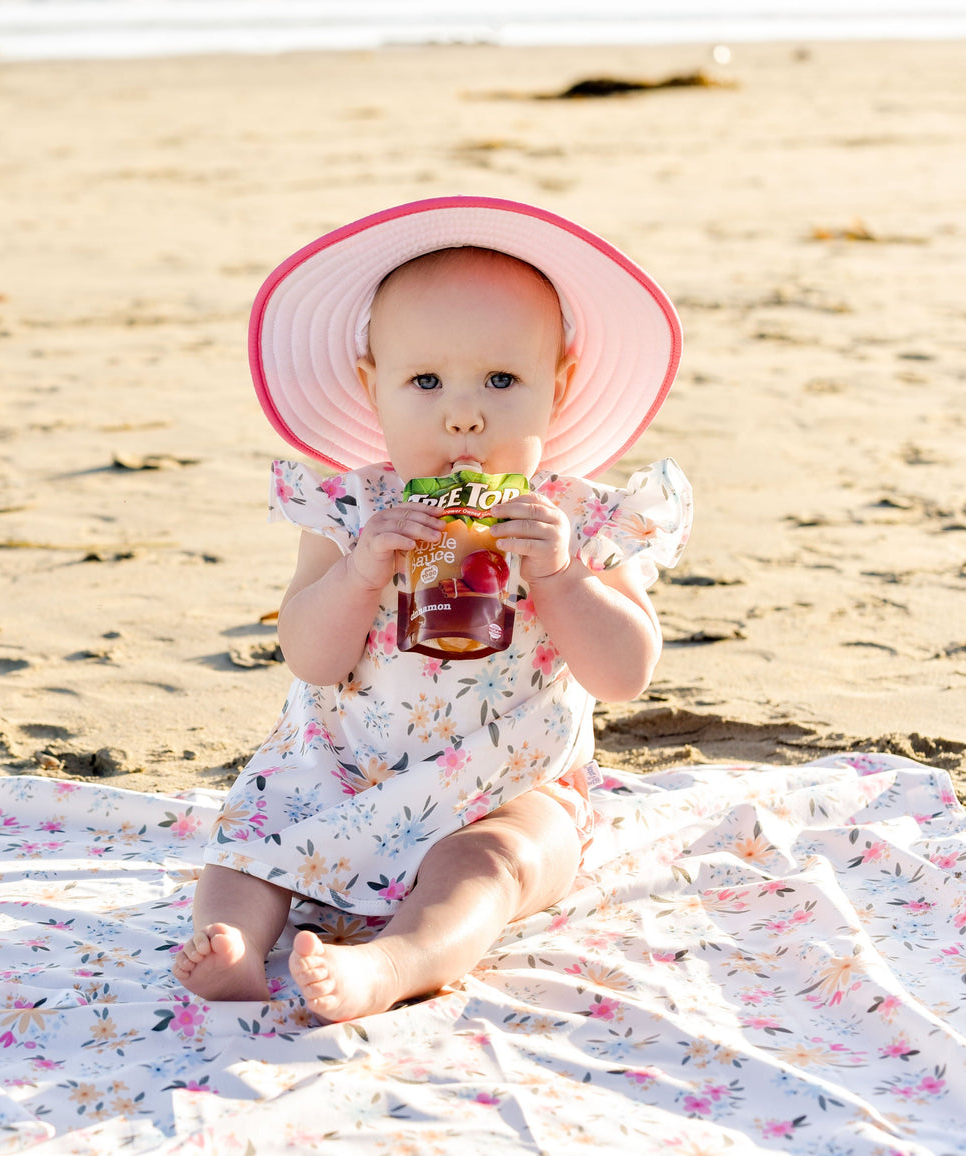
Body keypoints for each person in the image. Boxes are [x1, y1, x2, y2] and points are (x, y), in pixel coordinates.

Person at [173, 197, 692, 1022]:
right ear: (370, 387)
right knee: (249, 840)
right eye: (425, 381)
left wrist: (558, 576)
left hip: (508, 782)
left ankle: (397, 963)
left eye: (500, 379)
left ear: (556, 387)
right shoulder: (350, 512)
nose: (463, 413)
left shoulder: (577, 519)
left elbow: (624, 674)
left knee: (497, 863)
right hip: (339, 772)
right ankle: (231, 943)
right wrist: (358, 573)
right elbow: (310, 656)